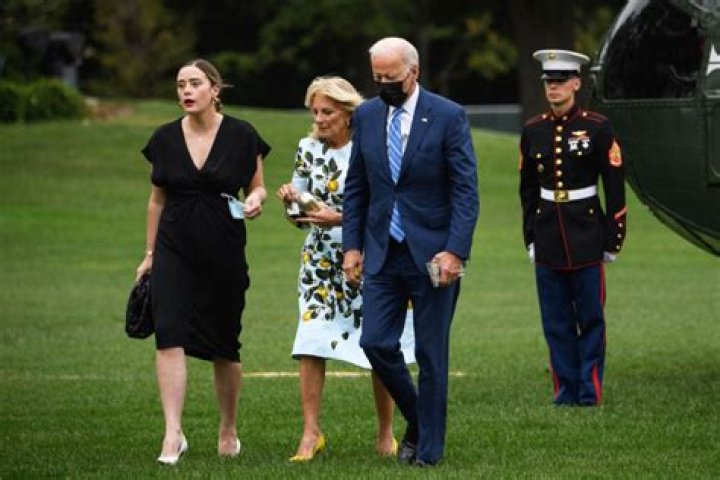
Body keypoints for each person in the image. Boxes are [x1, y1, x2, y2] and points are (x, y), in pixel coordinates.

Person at [342, 37, 480, 467]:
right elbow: (357, 187)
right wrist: (352, 246)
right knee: (375, 342)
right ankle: (421, 422)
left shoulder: (448, 115)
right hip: (383, 251)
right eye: (377, 77)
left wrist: (455, 251)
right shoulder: (366, 115)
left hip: (434, 255)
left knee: (431, 355)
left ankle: (429, 454)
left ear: (414, 72)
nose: (384, 84)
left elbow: (465, 191)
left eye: (392, 77)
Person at [134, 59, 270, 465]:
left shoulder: (242, 135)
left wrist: (255, 200)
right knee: (169, 334)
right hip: (173, 248)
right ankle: (172, 433)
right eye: (180, 85)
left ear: (215, 89)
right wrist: (149, 255)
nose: (186, 91)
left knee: (224, 344)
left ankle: (228, 428)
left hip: (223, 248)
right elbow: (156, 201)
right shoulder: (163, 138)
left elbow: (258, 187)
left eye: (194, 83)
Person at [276, 76, 416, 463]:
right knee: (310, 341)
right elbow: (299, 217)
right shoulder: (307, 149)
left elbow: (385, 208)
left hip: (370, 258)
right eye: (315, 112)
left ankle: (385, 433)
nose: (319, 119)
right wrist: (293, 204)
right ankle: (310, 433)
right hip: (319, 263)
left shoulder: (371, 148)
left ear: (348, 113)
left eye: (328, 112)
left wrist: (338, 218)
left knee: (379, 345)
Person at [518, 49, 627, 406]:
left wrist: (614, 237)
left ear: (576, 84)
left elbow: (614, 185)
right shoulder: (533, 130)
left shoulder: (597, 126)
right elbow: (528, 190)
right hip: (548, 233)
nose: (554, 87)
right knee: (556, 321)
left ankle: (589, 391)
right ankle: (565, 392)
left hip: (587, 233)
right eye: (549, 81)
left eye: (561, 81)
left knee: (591, 318)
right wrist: (530, 236)